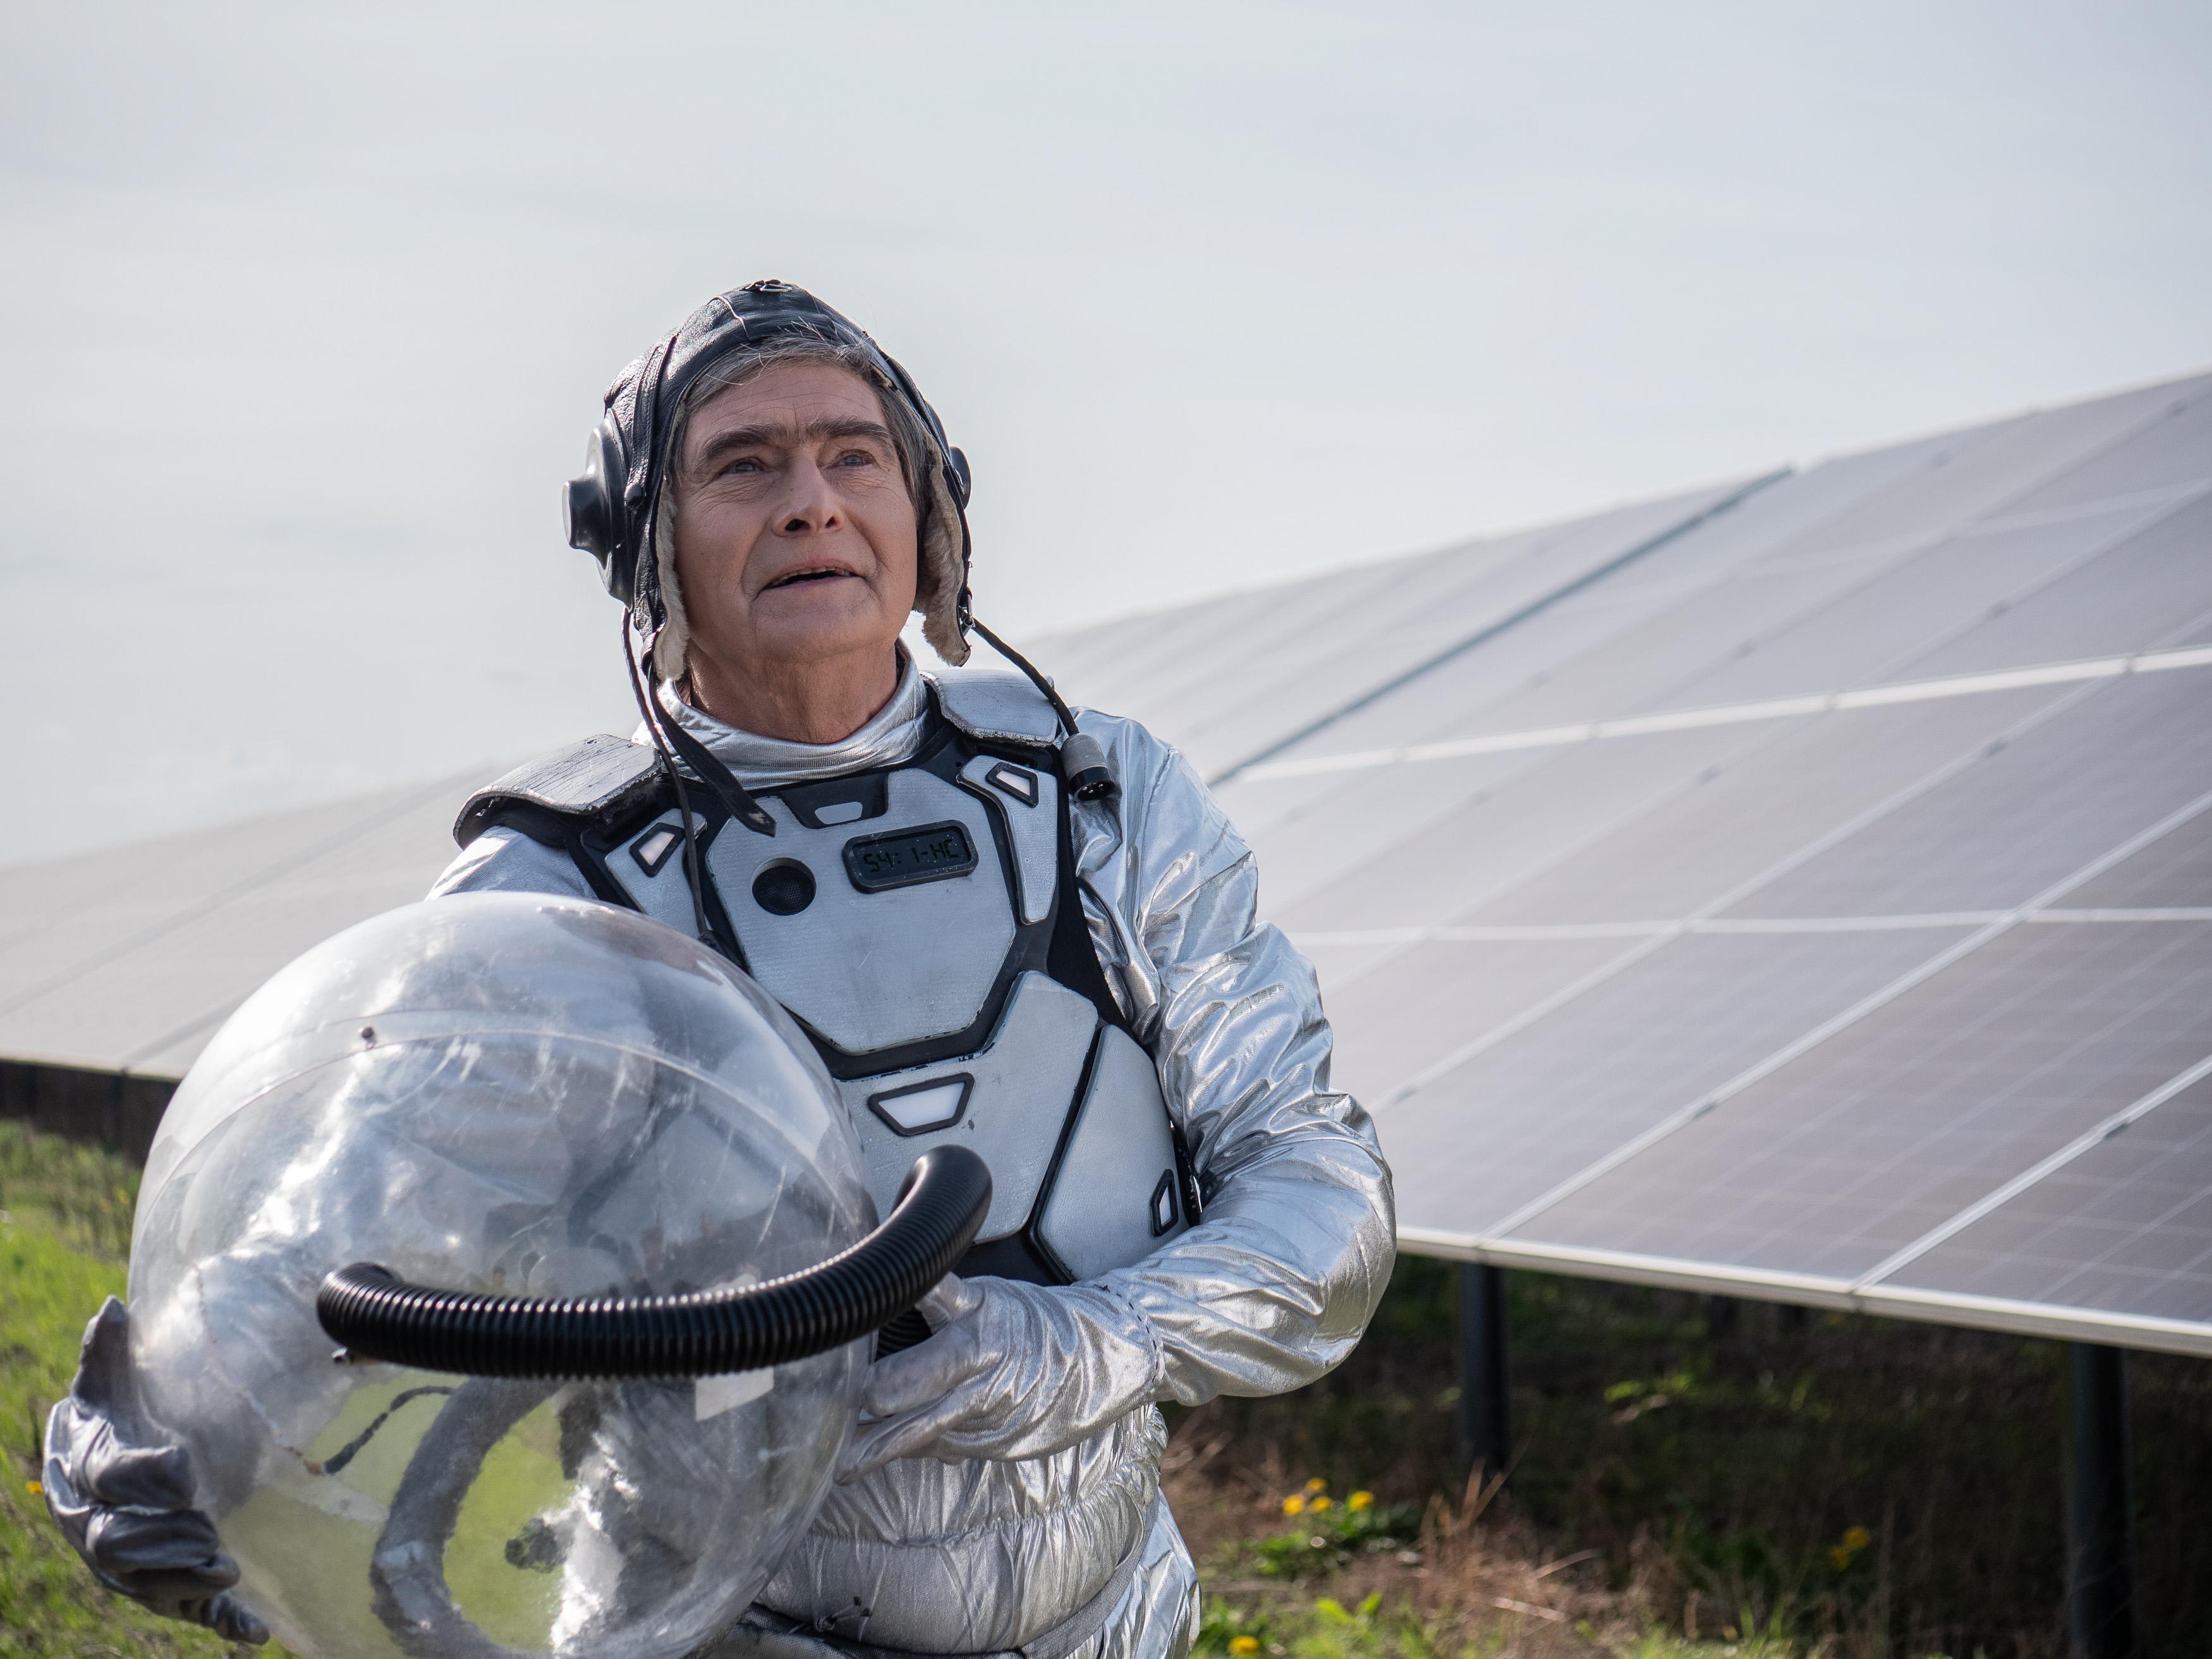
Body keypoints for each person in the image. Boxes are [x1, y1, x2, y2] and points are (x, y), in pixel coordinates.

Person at [45, 280, 1396, 1659]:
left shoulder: (1104, 797)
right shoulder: (561, 888)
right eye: (744, 466)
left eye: (854, 456)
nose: (811, 503)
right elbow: (339, 1230)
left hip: (1118, 1619)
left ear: (929, 513)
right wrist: (174, 1416)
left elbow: (1321, 1187)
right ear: (650, 548)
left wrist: (1104, 1339)